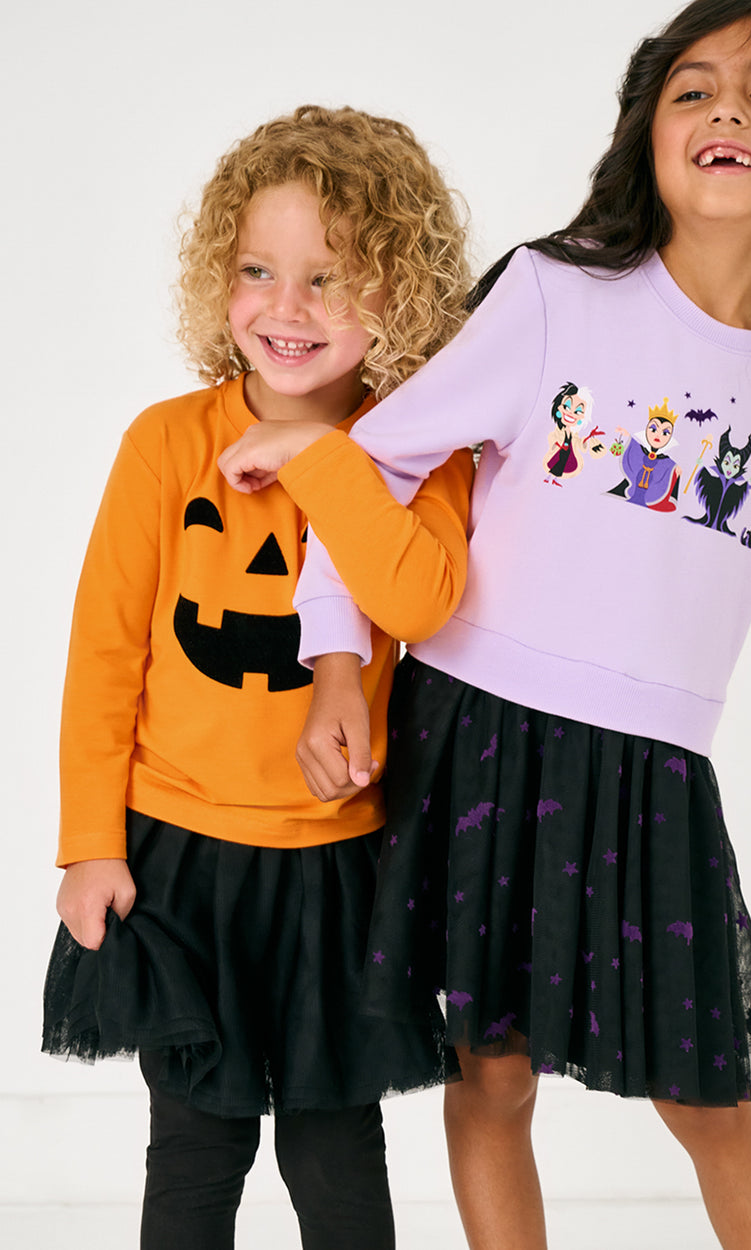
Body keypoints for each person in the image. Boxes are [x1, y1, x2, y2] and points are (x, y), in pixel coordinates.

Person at [217, 4, 751, 1248]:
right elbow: (372, 466)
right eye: (694, 88)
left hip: (648, 777)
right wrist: (338, 661)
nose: (727, 106)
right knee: (491, 1075)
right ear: (649, 136)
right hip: (471, 732)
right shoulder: (555, 290)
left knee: (708, 1095)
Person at [42, 104, 474, 1250]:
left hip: (337, 860)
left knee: (333, 1151)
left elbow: (416, 600)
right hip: (179, 851)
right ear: (217, 278)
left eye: (328, 278)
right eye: (257, 271)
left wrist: (318, 458)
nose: (286, 307)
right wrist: (90, 840)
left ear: (398, 292)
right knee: (195, 1141)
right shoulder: (165, 443)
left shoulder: (421, 458)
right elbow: (105, 654)